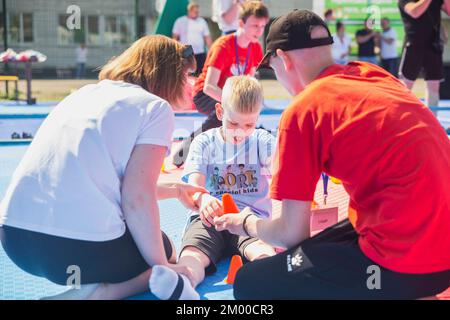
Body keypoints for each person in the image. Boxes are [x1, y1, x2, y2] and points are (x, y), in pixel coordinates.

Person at [214, 10, 450, 299]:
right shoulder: (373, 75)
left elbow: (291, 234)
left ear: (283, 59)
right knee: (317, 251)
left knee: (250, 284)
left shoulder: (304, 110)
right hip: (442, 258)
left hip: (401, 265)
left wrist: (246, 223)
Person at [0, 36, 207, 300]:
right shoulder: (156, 108)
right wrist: (164, 267)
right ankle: (97, 294)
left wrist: (176, 188)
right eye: (187, 74)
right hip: (74, 250)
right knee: (163, 247)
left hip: (15, 241)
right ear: (168, 74)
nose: (190, 82)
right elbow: (136, 199)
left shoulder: (85, 93)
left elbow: (103, 182)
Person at [150, 76, 276, 299]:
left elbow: (282, 165)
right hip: (209, 219)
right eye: (233, 123)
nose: (240, 132)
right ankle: (184, 283)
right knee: (193, 254)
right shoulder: (204, 142)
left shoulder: (263, 141)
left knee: (262, 251)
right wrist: (203, 200)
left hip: (249, 218)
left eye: (249, 125)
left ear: (258, 118)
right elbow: (193, 187)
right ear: (220, 112)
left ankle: (271, 277)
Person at [173, 1, 269, 167]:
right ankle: (184, 153)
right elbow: (208, 86)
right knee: (226, 113)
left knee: (244, 116)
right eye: (255, 26)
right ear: (241, 23)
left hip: (231, 96)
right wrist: (235, 103)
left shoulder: (256, 49)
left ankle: (247, 153)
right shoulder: (223, 46)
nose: (259, 31)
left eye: (262, 26)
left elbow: (248, 84)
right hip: (205, 95)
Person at [398, 0, 450, 114]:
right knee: (405, 86)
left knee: (434, 86)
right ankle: (400, 119)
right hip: (413, 45)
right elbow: (415, 12)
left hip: (433, 45)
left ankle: (432, 121)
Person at [173, 2, 212, 76]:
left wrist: (211, 52)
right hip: (186, 51)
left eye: (198, 12)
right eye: (195, 11)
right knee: (186, 74)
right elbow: (175, 38)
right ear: (189, 10)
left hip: (200, 52)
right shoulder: (180, 21)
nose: (197, 13)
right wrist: (177, 53)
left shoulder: (202, 22)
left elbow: (207, 38)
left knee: (200, 74)